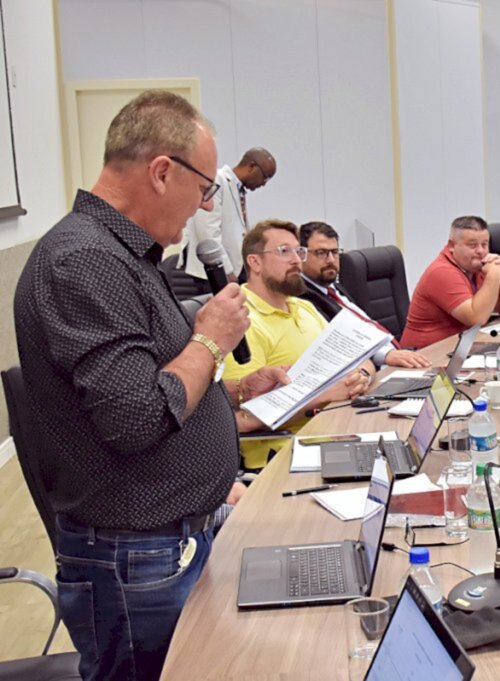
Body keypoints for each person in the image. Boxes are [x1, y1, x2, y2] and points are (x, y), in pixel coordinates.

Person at [13, 90, 289, 681]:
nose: (203, 205)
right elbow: (137, 416)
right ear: (162, 172)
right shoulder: (83, 262)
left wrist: (233, 392)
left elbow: (154, 378)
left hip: (167, 540)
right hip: (134, 556)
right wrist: (211, 341)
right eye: (203, 187)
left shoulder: (124, 255)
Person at [224, 219, 378, 470]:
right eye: (284, 251)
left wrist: (360, 376)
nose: (296, 260)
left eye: (299, 251)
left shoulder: (303, 306)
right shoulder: (240, 318)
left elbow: (364, 358)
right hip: (286, 454)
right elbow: (244, 415)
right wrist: (325, 395)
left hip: (335, 432)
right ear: (255, 262)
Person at [297, 220, 430, 368]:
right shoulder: (301, 298)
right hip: (370, 369)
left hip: (393, 358)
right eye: (321, 253)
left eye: (334, 252)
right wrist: (386, 355)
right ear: (300, 255)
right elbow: (342, 343)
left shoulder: (334, 288)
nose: (331, 260)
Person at [400, 215, 500, 348]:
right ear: (452, 246)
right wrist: (494, 275)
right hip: (425, 355)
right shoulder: (441, 272)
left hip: (459, 347)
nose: (480, 251)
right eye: (472, 245)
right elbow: (476, 319)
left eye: (484, 244)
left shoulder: (476, 265)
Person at [179, 146, 277, 281]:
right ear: (251, 167)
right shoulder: (217, 180)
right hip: (213, 271)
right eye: (265, 177)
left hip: (234, 268)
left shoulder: (238, 188)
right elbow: (208, 231)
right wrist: (225, 270)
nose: (263, 184)